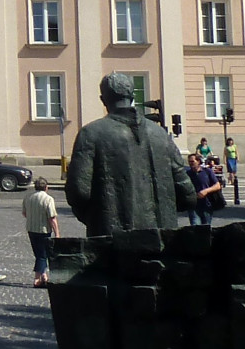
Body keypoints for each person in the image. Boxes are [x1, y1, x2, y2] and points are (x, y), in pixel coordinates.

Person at [66, 74, 197, 235]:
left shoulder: (90, 133)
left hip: (111, 241)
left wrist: (95, 218)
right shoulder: (161, 135)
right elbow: (188, 194)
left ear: (103, 100)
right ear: (132, 96)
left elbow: (78, 191)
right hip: (162, 241)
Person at [21, 176, 59, 287]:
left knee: (38, 254)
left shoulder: (28, 197)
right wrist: (57, 233)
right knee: (42, 255)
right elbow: (52, 217)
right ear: (46, 187)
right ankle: (37, 279)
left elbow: (24, 213)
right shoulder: (48, 199)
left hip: (31, 228)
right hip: (43, 230)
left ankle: (44, 276)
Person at [190, 155, 223, 226]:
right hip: (194, 205)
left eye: (192, 161)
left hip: (206, 204)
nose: (190, 163)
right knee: (195, 225)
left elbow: (217, 185)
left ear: (198, 161)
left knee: (205, 227)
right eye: (189, 162)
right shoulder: (188, 174)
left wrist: (206, 191)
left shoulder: (207, 172)